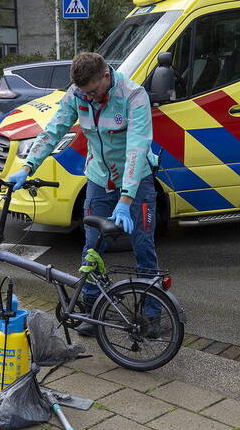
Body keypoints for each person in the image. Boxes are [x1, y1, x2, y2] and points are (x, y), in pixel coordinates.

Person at [8, 52, 160, 335]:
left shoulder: (133, 96)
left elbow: (137, 148)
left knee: (143, 246)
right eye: (83, 93)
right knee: (92, 248)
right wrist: (28, 167)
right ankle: (92, 309)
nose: (88, 98)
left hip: (137, 181)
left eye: (92, 91)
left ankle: (152, 313)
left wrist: (126, 200)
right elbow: (53, 130)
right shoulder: (77, 94)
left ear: (105, 76)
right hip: (99, 179)